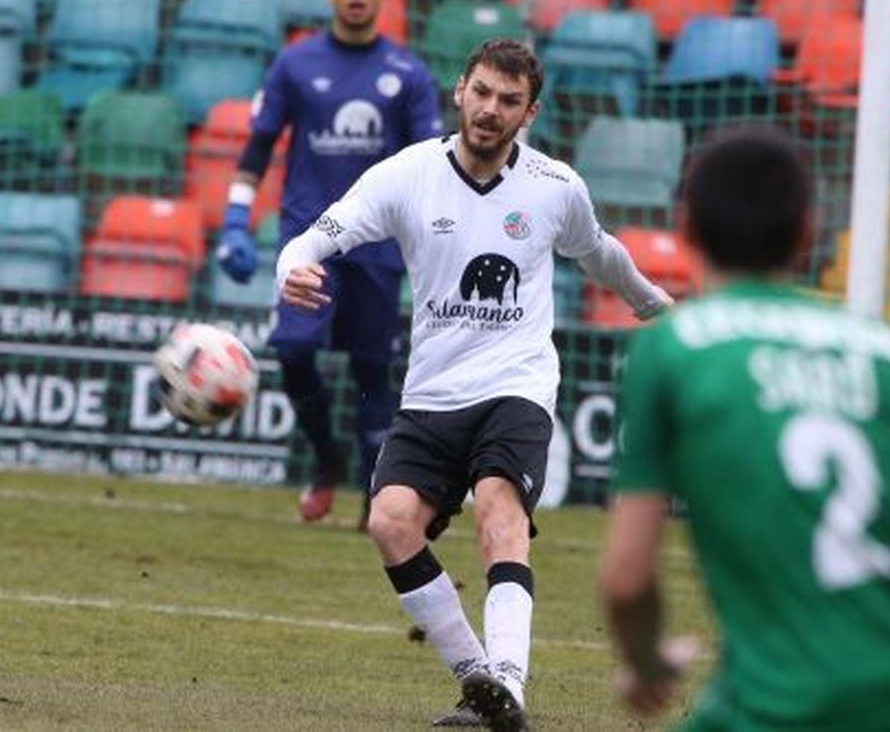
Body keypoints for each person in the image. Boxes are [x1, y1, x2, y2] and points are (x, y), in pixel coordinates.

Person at [278, 38, 673, 731]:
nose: (491, 110)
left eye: (509, 101)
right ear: (460, 90)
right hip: (433, 389)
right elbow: (320, 234)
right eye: (483, 92)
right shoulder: (407, 175)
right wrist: (292, 265)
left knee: (500, 514)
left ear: (530, 112)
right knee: (390, 521)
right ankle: (477, 680)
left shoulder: (555, 187)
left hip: (515, 383)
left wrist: (653, 305)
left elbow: (600, 252)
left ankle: (510, 687)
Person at [599, 127, 890, 731]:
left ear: (687, 231)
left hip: (775, 707)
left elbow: (626, 580)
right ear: (807, 236)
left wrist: (645, 663)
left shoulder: (673, 351)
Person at [216, 0, 441, 525]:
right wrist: (237, 221)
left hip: (378, 243)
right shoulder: (294, 63)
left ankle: (376, 484)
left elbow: (431, 165)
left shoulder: (409, 73)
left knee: (373, 367)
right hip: (308, 238)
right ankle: (325, 457)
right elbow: (258, 148)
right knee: (292, 350)